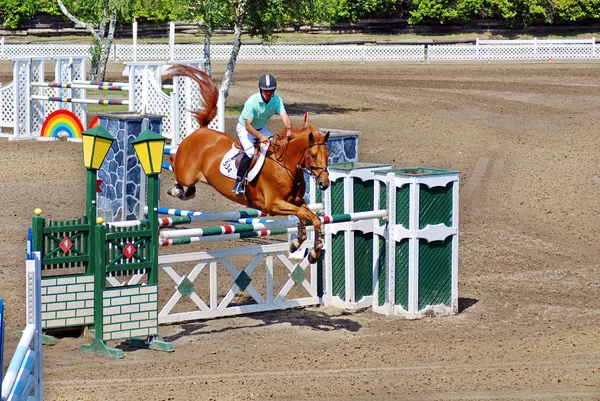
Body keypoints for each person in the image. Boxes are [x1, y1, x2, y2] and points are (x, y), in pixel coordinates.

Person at [233, 74, 293, 194]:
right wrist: (260, 136)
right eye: (266, 91)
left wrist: (289, 128)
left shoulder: (277, 100)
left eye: (271, 91)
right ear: (261, 90)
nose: (268, 93)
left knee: (274, 148)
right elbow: (248, 125)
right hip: (245, 129)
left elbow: (284, 116)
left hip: (261, 128)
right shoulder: (252, 102)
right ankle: (238, 183)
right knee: (250, 153)